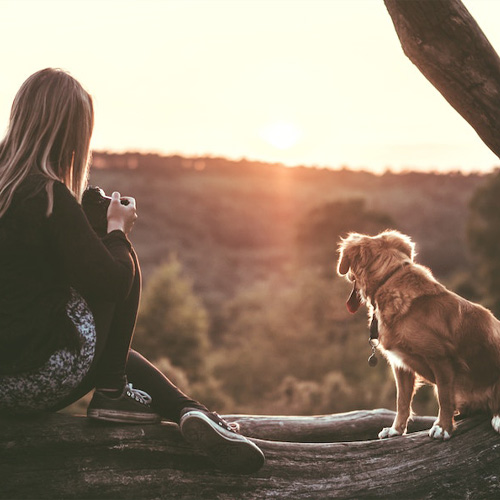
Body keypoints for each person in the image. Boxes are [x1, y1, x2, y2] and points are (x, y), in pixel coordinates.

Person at [0, 68, 265, 475]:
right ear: (70, 133)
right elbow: (110, 282)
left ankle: (188, 411)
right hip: (36, 381)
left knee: (113, 357)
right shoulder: (49, 195)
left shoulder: (13, 191)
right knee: (122, 262)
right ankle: (113, 392)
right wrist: (117, 230)